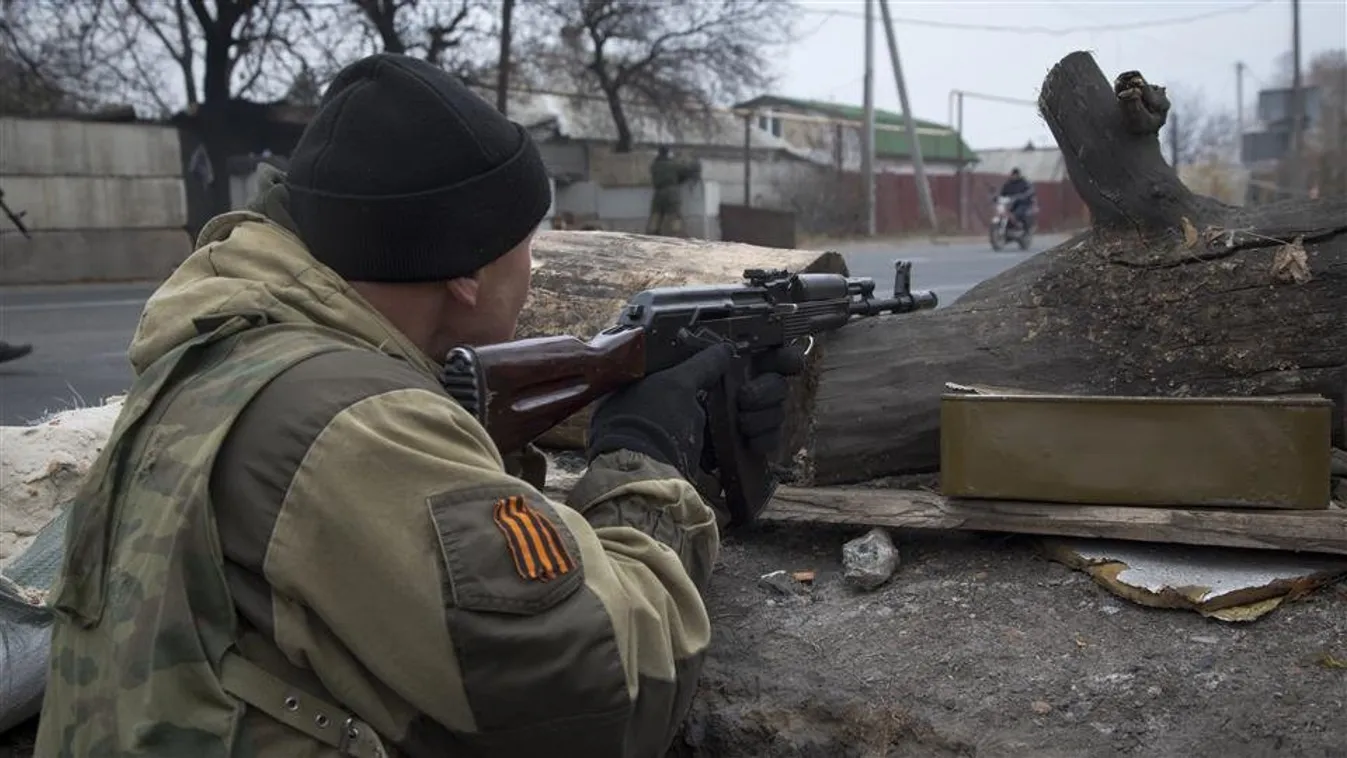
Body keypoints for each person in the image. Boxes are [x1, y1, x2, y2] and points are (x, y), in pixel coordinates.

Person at [35, 53, 801, 757]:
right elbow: (602, 699)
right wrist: (648, 462)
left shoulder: (230, 348)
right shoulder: (352, 426)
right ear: (467, 272)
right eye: (530, 240)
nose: (535, 263)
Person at [646, 146, 700, 237]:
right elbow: (686, 171)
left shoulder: (654, 166)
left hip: (658, 193)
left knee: (656, 214)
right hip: (671, 193)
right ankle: (676, 234)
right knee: (675, 215)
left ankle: (651, 234)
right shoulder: (673, 164)